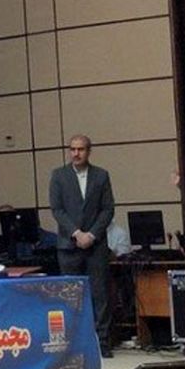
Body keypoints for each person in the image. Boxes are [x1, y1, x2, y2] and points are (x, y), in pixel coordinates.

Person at [49, 134, 115, 357]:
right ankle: (75, 343)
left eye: (81, 149)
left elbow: (108, 209)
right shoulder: (58, 175)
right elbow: (57, 210)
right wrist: (77, 233)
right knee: (71, 296)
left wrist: (92, 235)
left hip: (96, 245)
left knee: (100, 294)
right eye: (72, 149)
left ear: (89, 151)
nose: (76, 153)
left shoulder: (101, 175)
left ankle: (102, 343)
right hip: (69, 245)